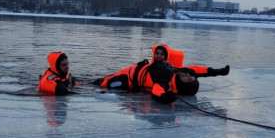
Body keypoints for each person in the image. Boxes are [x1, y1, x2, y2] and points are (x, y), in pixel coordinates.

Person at [92, 44, 229, 103]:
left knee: (104, 83)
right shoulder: (178, 71)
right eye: (191, 76)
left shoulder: (166, 83)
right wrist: (219, 71)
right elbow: (197, 69)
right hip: (136, 68)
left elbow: (157, 92)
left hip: (128, 79)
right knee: (101, 80)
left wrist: (166, 97)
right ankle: (84, 82)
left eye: (188, 79)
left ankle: (82, 83)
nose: (187, 75)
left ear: (184, 85)